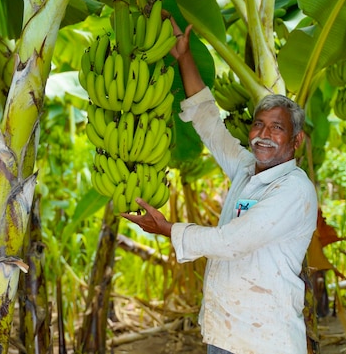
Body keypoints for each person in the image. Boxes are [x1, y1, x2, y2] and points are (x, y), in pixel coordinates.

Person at [121, 19, 319, 354]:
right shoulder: (246, 169)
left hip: (267, 339)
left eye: (277, 128)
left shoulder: (294, 190)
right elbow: (209, 124)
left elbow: (232, 242)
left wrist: (168, 229)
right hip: (225, 333)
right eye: (258, 124)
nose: (264, 135)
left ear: (296, 139)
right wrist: (184, 57)